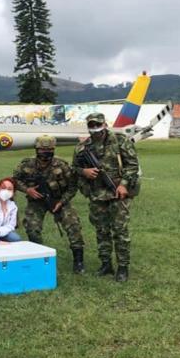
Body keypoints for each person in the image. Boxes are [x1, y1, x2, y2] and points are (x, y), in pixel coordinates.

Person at [73, 112, 140, 282]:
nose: (95, 128)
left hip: (118, 193)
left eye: (98, 124)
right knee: (101, 231)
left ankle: (123, 267)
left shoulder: (120, 140)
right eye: (92, 125)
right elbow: (74, 168)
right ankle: (106, 264)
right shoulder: (82, 147)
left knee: (120, 231)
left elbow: (132, 165)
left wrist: (124, 184)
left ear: (104, 124)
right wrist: (84, 171)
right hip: (96, 195)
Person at [12, 135, 86, 273]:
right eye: (42, 150)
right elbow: (14, 180)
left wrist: (62, 202)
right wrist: (27, 190)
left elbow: (72, 186)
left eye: (49, 150)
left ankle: (79, 261)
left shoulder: (62, 165)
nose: (45, 153)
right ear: (36, 149)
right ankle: (39, 257)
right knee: (32, 227)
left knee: (73, 224)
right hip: (36, 202)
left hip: (59, 200)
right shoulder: (26, 164)